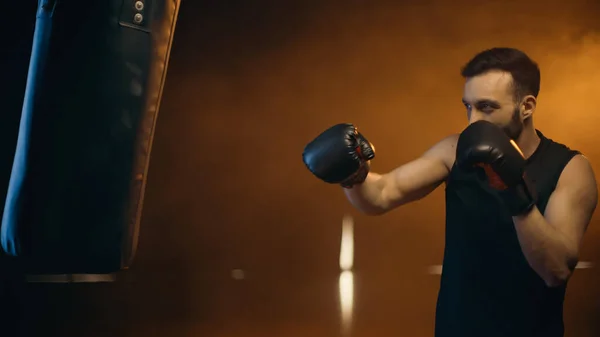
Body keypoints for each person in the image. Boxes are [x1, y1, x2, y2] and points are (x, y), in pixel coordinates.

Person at [302, 47, 598, 337]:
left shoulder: (570, 168)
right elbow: (381, 194)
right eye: (468, 106)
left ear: (527, 106)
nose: (473, 121)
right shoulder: (455, 150)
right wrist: (353, 174)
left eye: (487, 107)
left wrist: (513, 191)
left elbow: (556, 271)